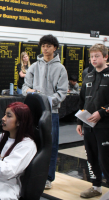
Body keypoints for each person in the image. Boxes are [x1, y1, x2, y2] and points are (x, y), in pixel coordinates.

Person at [22, 34, 68, 189]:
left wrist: (44, 101)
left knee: (51, 145)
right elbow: (24, 88)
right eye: (43, 46)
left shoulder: (61, 69)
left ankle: (48, 177)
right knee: (31, 143)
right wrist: (32, 92)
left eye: (48, 46)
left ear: (55, 48)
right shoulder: (34, 66)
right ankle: (29, 173)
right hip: (33, 114)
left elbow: (62, 93)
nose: (45, 49)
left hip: (51, 114)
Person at [76, 43, 109, 198]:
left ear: (105, 57)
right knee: (91, 156)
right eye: (92, 57)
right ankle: (96, 187)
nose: (94, 59)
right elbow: (82, 101)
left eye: (97, 56)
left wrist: (102, 112)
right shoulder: (87, 74)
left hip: (105, 125)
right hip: (88, 124)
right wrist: (79, 122)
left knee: (105, 158)